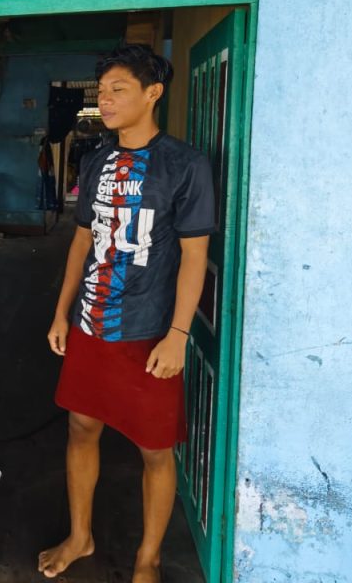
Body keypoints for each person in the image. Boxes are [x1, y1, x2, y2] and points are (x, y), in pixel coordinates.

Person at [38, 44, 215, 583]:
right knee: (80, 428)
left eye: (119, 90)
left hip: (149, 332)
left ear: (153, 93)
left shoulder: (185, 165)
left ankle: (148, 559)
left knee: (155, 451)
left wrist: (178, 334)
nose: (107, 100)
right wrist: (62, 313)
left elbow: (194, 256)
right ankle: (81, 536)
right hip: (91, 325)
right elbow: (82, 241)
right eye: (103, 91)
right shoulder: (95, 161)